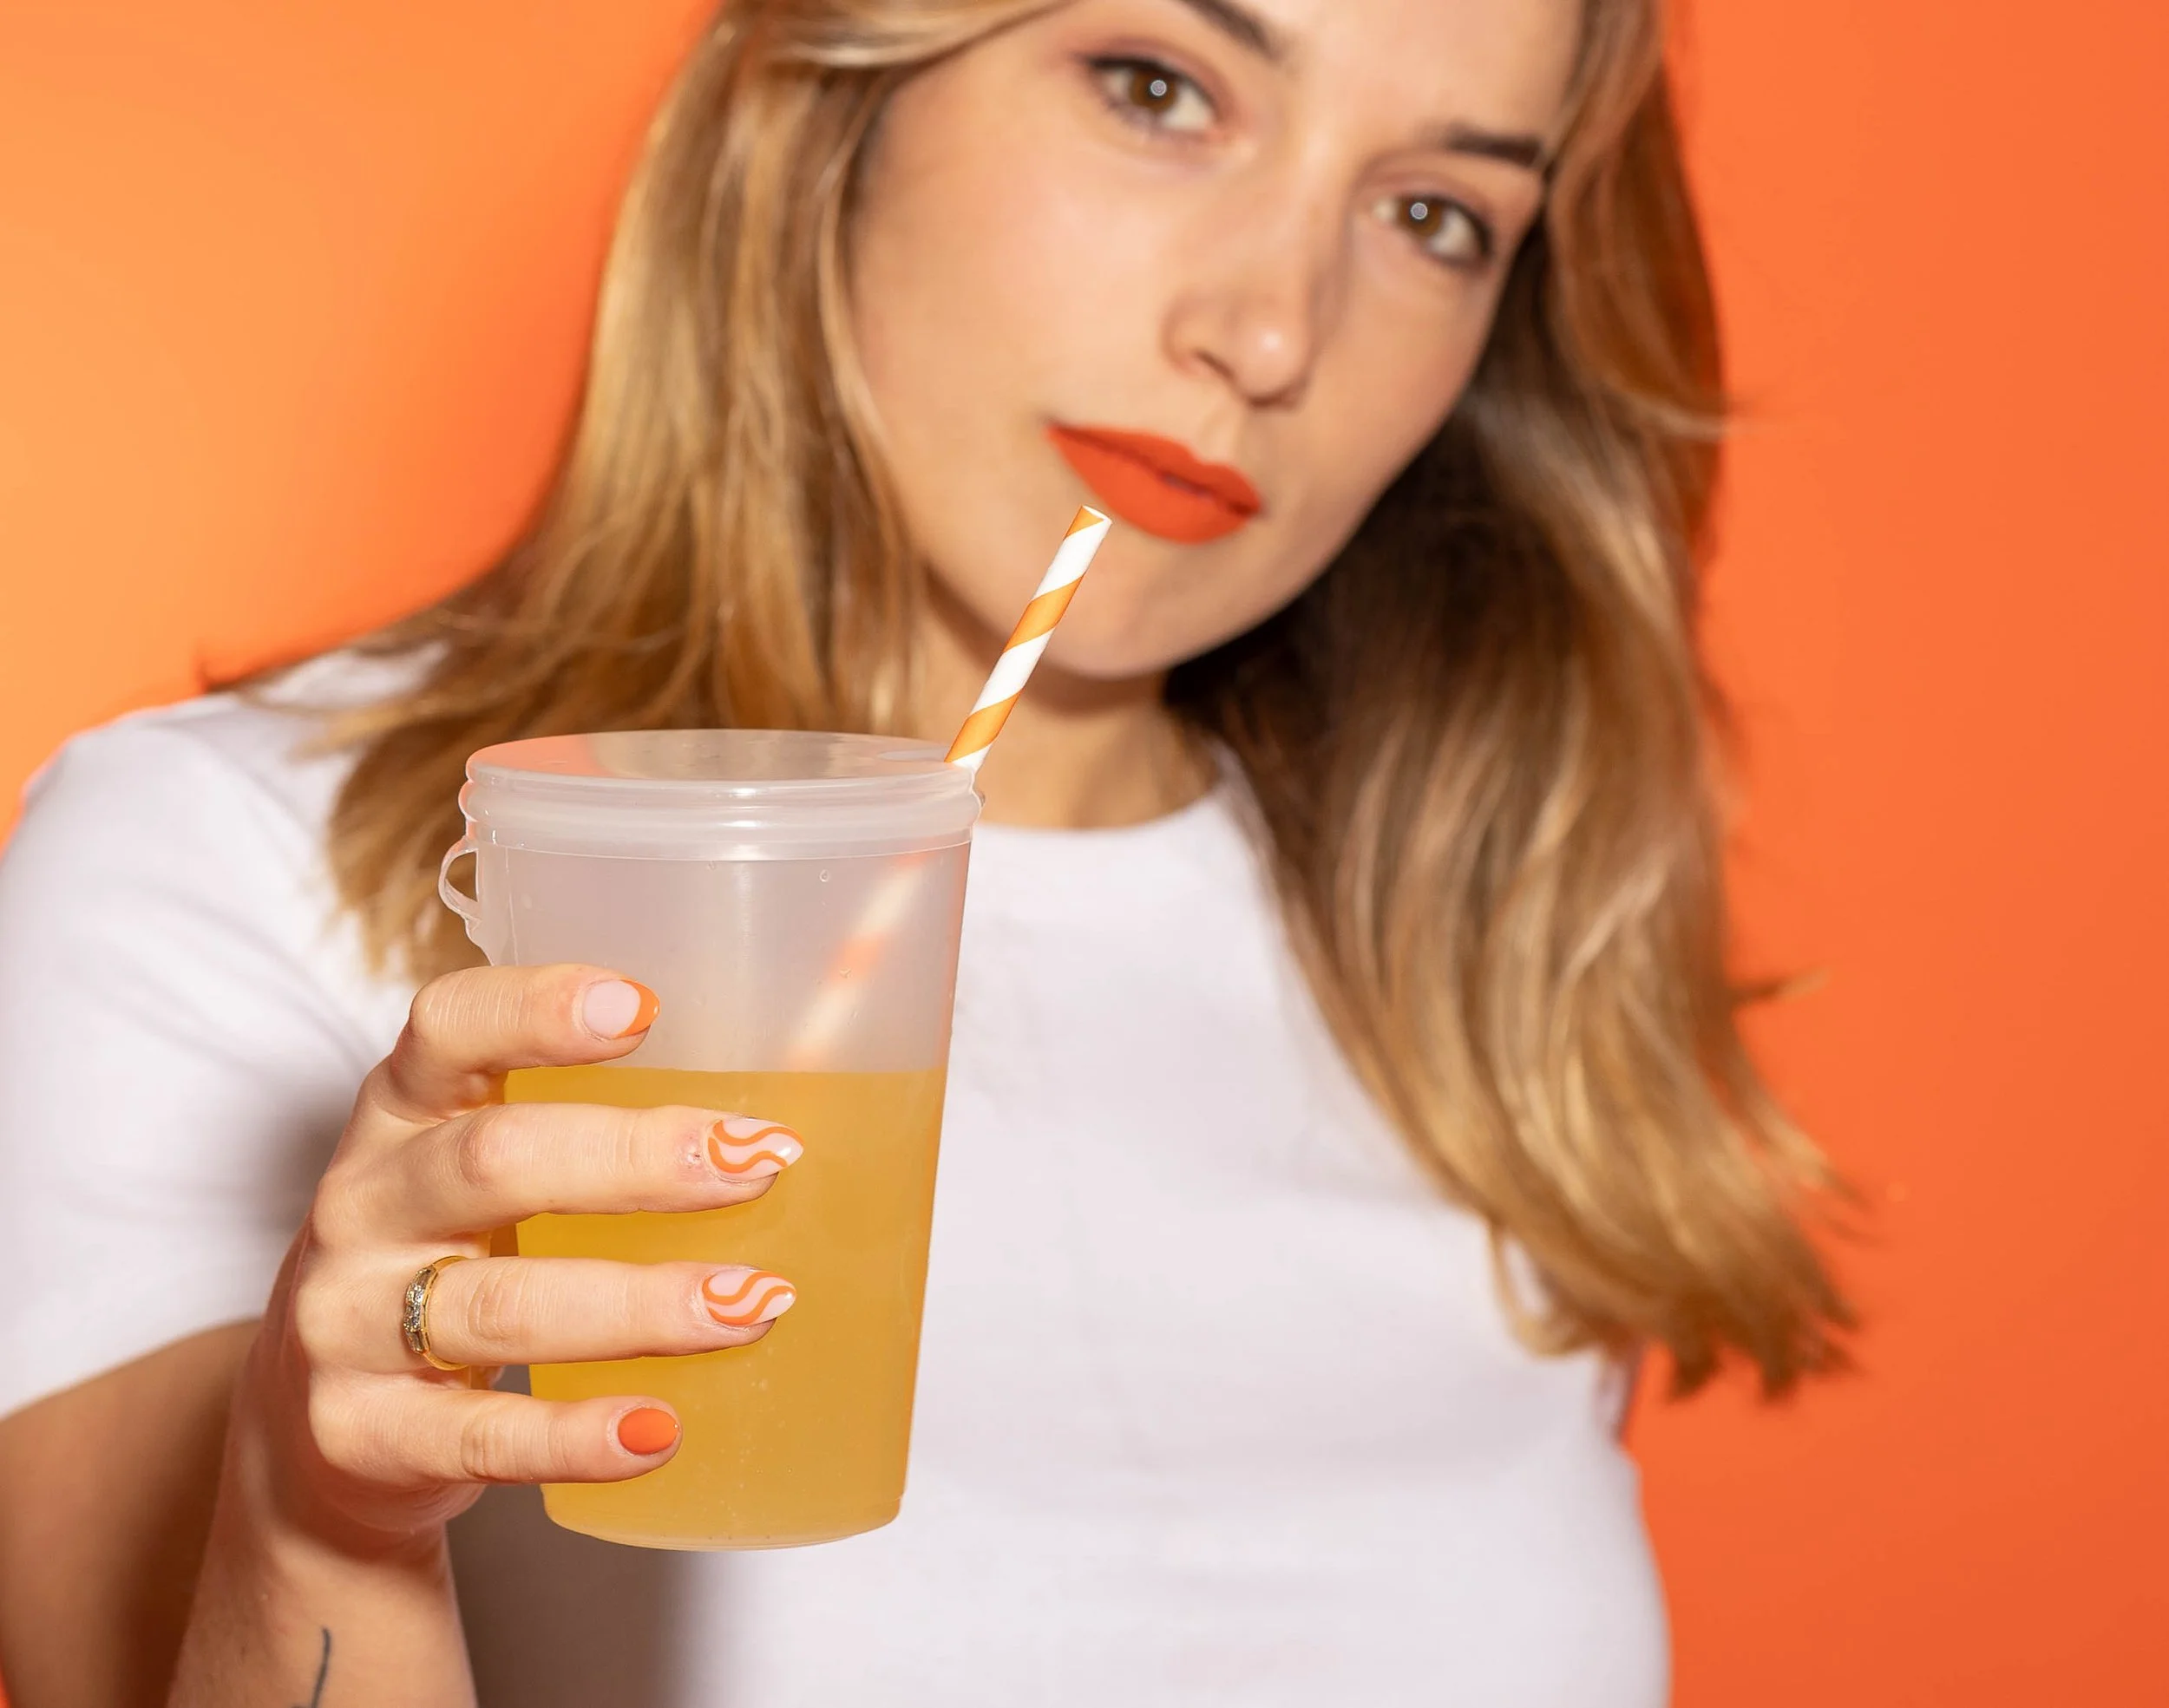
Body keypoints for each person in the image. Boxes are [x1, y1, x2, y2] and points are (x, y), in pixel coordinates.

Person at [0, 0, 1851, 1702]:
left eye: (1434, 214)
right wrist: (323, 1516)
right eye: (1159, 92)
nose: (1271, 329)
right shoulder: (227, 877)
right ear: (839, 97)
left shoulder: (1478, 993)